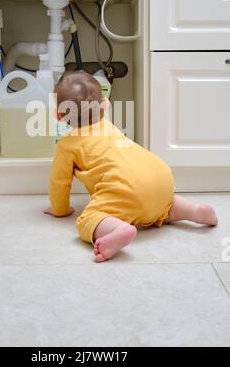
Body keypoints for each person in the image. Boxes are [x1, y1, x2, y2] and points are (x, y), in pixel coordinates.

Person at [44, 71, 218, 262]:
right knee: (167, 205)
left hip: (127, 189)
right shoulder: (109, 126)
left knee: (87, 219)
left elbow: (59, 183)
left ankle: (119, 229)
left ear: (58, 116)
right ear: (105, 104)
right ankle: (194, 211)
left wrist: (60, 210)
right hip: (161, 178)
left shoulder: (66, 146)